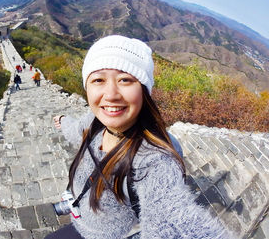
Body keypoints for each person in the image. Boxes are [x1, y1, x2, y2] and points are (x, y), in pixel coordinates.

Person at [48, 35, 232, 239]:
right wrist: (63, 120)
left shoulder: (153, 161)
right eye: (98, 80)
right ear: (87, 87)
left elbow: (176, 226)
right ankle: (72, 201)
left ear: (144, 91)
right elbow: (76, 131)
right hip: (80, 214)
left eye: (125, 80)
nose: (111, 94)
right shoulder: (94, 122)